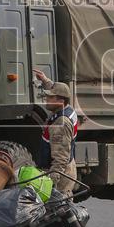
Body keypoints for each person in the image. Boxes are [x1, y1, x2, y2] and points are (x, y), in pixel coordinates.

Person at [33, 68, 79, 197]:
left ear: (60, 101)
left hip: (62, 173)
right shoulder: (68, 109)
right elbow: (61, 91)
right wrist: (45, 81)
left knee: (59, 208)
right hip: (68, 167)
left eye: (50, 97)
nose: (46, 99)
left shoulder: (61, 123)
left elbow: (60, 157)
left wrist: (51, 181)